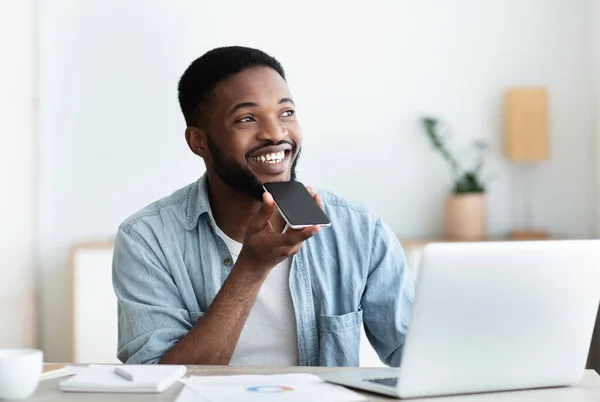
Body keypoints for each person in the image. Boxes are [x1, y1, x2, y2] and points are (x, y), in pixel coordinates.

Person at [112, 46, 415, 367]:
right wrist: (252, 267)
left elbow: (417, 356)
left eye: (286, 112)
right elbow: (157, 386)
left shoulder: (359, 230)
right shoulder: (147, 239)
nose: (275, 133)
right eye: (246, 119)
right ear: (198, 141)